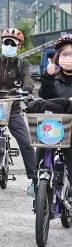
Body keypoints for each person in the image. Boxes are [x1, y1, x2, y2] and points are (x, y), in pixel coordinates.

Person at [0, 28, 37, 195]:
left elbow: (28, 78)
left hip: (13, 109)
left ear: (18, 46)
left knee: (26, 143)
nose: (9, 45)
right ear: (1, 43)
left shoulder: (22, 64)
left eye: (13, 43)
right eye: (6, 42)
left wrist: (27, 89)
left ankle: (34, 181)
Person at [36, 33, 72, 188]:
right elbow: (45, 97)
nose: (68, 58)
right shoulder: (53, 76)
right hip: (56, 124)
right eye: (64, 54)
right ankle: (35, 180)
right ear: (58, 57)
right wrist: (48, 77)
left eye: (71, 54)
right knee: (41, 145)